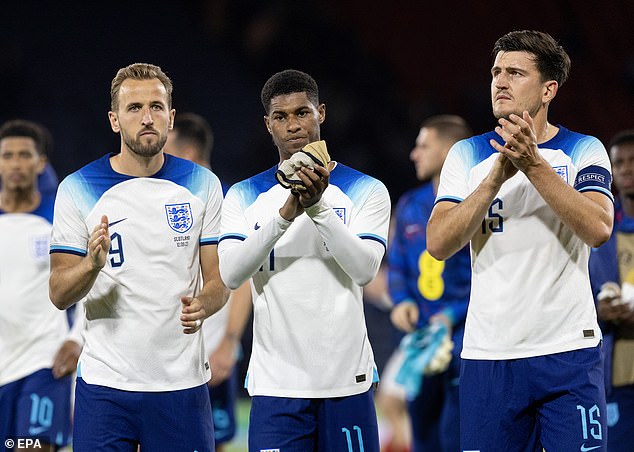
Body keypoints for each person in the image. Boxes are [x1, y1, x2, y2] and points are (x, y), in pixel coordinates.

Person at [427, 30, 614, 451]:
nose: (500, 82)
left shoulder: (583, 150)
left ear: (549, 89)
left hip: (569, 351)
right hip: (489, 353)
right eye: (496, 72)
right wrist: (495, 176)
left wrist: (533, 166)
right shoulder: (467, 155)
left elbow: (599, 228)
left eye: (515, 72)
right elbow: (438, 242)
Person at [48, 63, 228, 452]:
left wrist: (202, 304)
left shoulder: (204, 185)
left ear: (171, 116)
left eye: (157, 107)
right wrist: (91, 266)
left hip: (181, 386)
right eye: (134, 109)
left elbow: (217, 283)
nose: (147, 118)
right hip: (105, 388)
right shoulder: (77, 188)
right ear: (114, 120)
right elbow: (59, 293)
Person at [218, 69, 391, 452]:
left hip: (347, 381)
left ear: (321, 114)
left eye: (302, 113)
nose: (293, 125)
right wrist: (284, 216)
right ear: (268, 125)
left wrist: (317, 208)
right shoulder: (243, 196)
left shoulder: (366, 190)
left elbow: (365, 270)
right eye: (281, 117)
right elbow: (230, 274)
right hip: (276, 385)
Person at [164, 112, 252, 452]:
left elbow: (241, 279)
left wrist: (229, 343)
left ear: (186, 155)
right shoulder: (163, 198)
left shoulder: (229, 203)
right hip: (165, 354)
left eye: (167, 149)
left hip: (210, 352)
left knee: (212, 443)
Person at [388, 115, 472, 452]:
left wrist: (453, 314)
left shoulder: (478, 201)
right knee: (423, 436)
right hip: (421, 341)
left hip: (466, 340)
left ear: (450, 151)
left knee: (458, 437)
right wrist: (401, 301)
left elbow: (490, 276)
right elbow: (397, 267)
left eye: (424, 146)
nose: (414, 153)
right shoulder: (410, 204)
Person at [0, 119, 82, 452]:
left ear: (41, 162)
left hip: (46, 361)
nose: (16, 164)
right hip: (3, 363)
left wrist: (76, 340)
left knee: (32, 448)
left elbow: (93, 286)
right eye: (7, 156)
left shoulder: (61, 221)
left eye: (24, 155)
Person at [589, 130, 634, 452]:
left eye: (633, 161)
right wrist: (598, 309)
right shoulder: (597, 231)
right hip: (616, 378)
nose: (627, 169)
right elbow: (576, 294)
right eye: (619, 163)